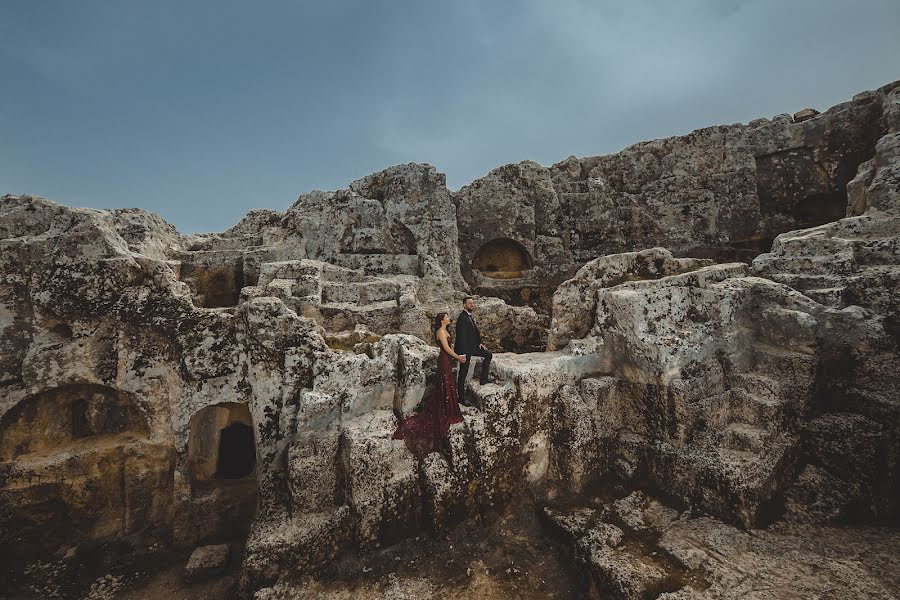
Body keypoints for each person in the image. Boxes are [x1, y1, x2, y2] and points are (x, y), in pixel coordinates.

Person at [392, 312, 467, 458]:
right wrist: (458, 357)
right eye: (446, 316)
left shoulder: (445, 331)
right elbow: (446, 348)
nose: (448, 318)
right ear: (441, 320)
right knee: (446, 382)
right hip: (444, 360)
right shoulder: (440, 332)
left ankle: (448, 408)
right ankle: (446, 410)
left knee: (448, 383)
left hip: (447, 360)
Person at [454, 295, 493, 407]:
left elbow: (472, 333)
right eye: (470, 303)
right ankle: (461, 398)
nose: (472, 305)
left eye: (473, 303)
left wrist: (478, 343)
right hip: (465, 350)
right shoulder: (462, 318)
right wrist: (462, 354)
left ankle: (484, 379)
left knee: (488, 355)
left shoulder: (469, 316)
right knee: (463, 374)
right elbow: (461, 337)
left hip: (473, 347)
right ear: (464, 305)